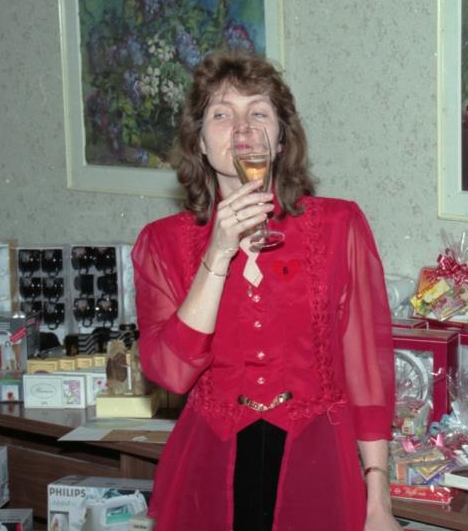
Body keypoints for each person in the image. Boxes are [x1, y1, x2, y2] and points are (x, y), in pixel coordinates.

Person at [133, 52, 401, 531]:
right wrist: (218, 253)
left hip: (318, 462)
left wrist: (378, 497)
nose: (242, 128)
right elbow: (171, 372)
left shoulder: (340, 225)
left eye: (258, 113)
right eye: (222, 114)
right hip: (209, 468)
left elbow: (366, 373)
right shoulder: (162, 242)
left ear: (279, 140)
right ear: (200, 142)